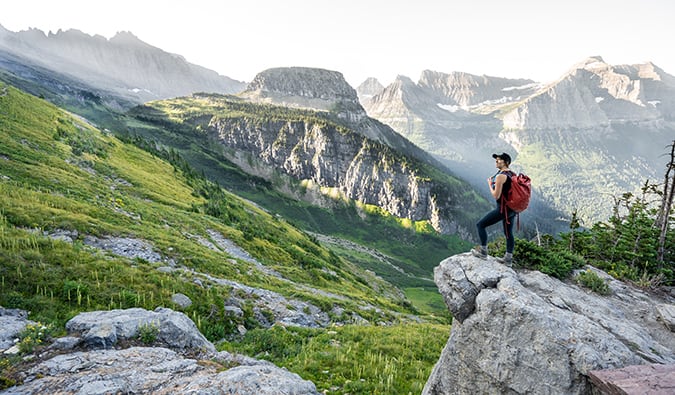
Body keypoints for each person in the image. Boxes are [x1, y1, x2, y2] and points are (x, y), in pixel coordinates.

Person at [471, 152, 517, 266]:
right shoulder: (512, 174)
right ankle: (508, 259)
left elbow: (496, 195)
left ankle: (483, 253)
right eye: (496, 159)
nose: (496, 161)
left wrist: (489, 184)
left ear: (506, 162)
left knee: (480, 225)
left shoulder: (501, 176)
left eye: (499, 159)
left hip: (503, 209)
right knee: (508, 233)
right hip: (512, 209)